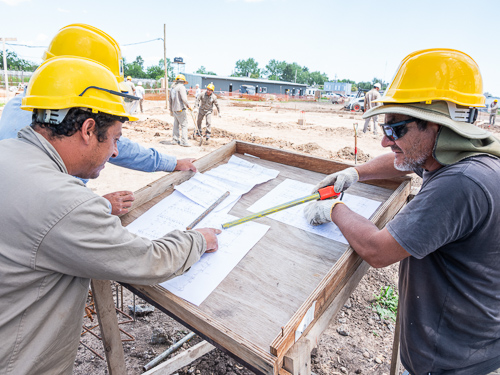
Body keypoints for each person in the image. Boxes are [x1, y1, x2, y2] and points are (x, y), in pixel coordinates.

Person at [0, 55, 221, 375]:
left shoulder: (8, 153)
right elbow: (150, 260)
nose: (117, 152)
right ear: (88, 129)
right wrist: (197, 240)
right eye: (116, 139)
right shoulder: (65, 203)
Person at [304, 49, 500, 375]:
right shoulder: (462, 159)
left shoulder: (459, 185)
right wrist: (355, 173)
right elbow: (405, 164)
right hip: (464, 343)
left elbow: (377, 250)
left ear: (438, 125)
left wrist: (334, 208)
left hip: (453, 361)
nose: (384, 141)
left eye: (395, 130)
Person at [0, 24, 197, 215]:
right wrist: (95, 206)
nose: (114, 150)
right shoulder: (47, 125)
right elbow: (53, 208)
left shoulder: (21, 107)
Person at [169, 74, 192, 147]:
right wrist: (188, 106)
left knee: (176, 125)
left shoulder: (173, 88)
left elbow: (170, 100)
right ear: (183, 81)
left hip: (174, 109)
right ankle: (184, 141)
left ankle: (175, 140)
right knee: (184, 125)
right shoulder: (181, 87)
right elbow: (184, 99)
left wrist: (171, 110)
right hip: (180, 109)